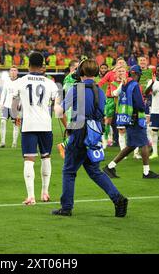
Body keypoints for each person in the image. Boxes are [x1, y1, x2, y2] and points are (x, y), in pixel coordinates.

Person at [52, 59, 128, 217]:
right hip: (95, 132)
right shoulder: (100, 90)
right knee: (95, 171)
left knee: (69, 171)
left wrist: (57, 103)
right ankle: (118, 198)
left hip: (79, 131)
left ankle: (66, 207)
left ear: (81, 72)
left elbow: (60, 112)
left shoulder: (76, 89)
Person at [11, 52, 60, 205]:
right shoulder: (51, 83)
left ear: (28, 65)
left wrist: (15, 116)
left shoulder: (20, 81)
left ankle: (31, 196)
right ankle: (45, 192)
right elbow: (57, 105)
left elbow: (14, 104)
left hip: (29, 126)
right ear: (43, 66)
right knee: (46, 157)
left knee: (29, 160)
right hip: (46, 125)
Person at [103, 65, 159, 179]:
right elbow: (139, 104)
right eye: (139, 74)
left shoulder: (124, 85)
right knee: (144, 144)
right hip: (136, 118)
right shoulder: (135, 85)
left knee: (131, 145)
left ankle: (110, 167)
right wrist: (144, 107)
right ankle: (146, 172)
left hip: (127, 117)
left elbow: (115, 94)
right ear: (137, 74)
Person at [0, 66, 20, 148]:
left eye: (15, 70)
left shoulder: (20, 82)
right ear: (10, 72)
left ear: (17, 72)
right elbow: (3, 93)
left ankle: (14, 143)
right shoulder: (6, 81)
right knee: (3, 122)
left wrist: (20, 105)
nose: (13, 72)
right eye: (12, 70)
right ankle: (2, 142)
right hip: (6, 105)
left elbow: (22, 94)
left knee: (15, 125)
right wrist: (1, 104)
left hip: (15, 107)